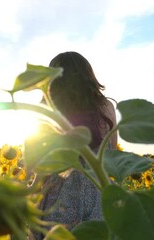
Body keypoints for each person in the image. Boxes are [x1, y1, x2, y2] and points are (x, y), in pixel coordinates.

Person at [33, 51, 117, 239]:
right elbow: (112, 156)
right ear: (89, 75)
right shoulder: (106, 107)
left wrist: (31, 193)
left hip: (59, 198)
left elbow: (42, 163)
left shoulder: (50, 111)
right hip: (99, 196)